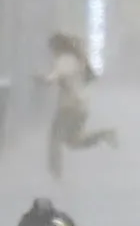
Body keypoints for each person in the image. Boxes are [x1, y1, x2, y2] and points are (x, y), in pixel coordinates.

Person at [36, 32, 117, 180]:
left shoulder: (65, 59)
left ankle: (55, 173)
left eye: (51, 48)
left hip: (70, 106)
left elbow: (58, 75)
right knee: (73, 141)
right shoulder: (75, 60)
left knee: (55, 138)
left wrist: (43, 79)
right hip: (81, 106)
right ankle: (103, 135)